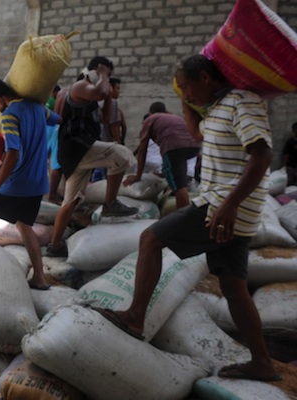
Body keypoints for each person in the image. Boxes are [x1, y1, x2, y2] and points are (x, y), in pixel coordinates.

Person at [98, 54, 280, 383]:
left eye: (186, 86)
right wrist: (185, 101)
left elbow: (263, 155)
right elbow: (197, 134)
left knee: (150, 238)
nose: (185, 93)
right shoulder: (217, 109)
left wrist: (228, 205)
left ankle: (135, 317)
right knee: (234, 287)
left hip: (222, 207)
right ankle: (262, 362)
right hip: (225, 207)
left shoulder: (242, 102)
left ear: (206, 78)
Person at [46, 56, 138, 257]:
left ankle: (55, 245)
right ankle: (110, 203)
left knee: (70, 202)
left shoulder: (75, 92)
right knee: (122, 154)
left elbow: (104, 120)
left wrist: (106, 99)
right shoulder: (80, 86)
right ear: (98, 69)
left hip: (73, 152)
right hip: (78, 147)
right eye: (107, 74)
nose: (107, 80)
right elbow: (101, 91)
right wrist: (104, 76)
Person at [0, 76, 61, 290]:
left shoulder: (9, 115)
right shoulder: (38, 108)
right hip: (38, 183)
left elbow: (13, 154)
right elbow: (58, 119)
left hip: (18, 183)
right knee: (25, 226)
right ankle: (39, 277)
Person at [123, 101, 201, 209]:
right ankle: (185, 212)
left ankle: (182, 219)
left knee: (179, 188)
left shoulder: (150, 119)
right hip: (194, 147)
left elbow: (142, 149)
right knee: (178, 177)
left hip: (174, 148)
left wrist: (138, 176)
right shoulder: (174, 117)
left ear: (150, 113)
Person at [46, 85, 63, 204]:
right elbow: (58, 118)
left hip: (45, 131)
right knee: (56, 166)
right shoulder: (54, 100)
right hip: (54, 130)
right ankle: (52, 195)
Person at [106, 77, 127, 144]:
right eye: (117, 88)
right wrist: (118, 141)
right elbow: (115, 125)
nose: (119, 91)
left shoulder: (98, 101)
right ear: (111, 88)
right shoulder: (113, 103)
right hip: (111, 142)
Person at [282, 122, 297, 186]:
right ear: (293, 130)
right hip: (291, 165)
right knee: (289, 182)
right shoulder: (290, 141)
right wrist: (284, 166)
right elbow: (286, 154)